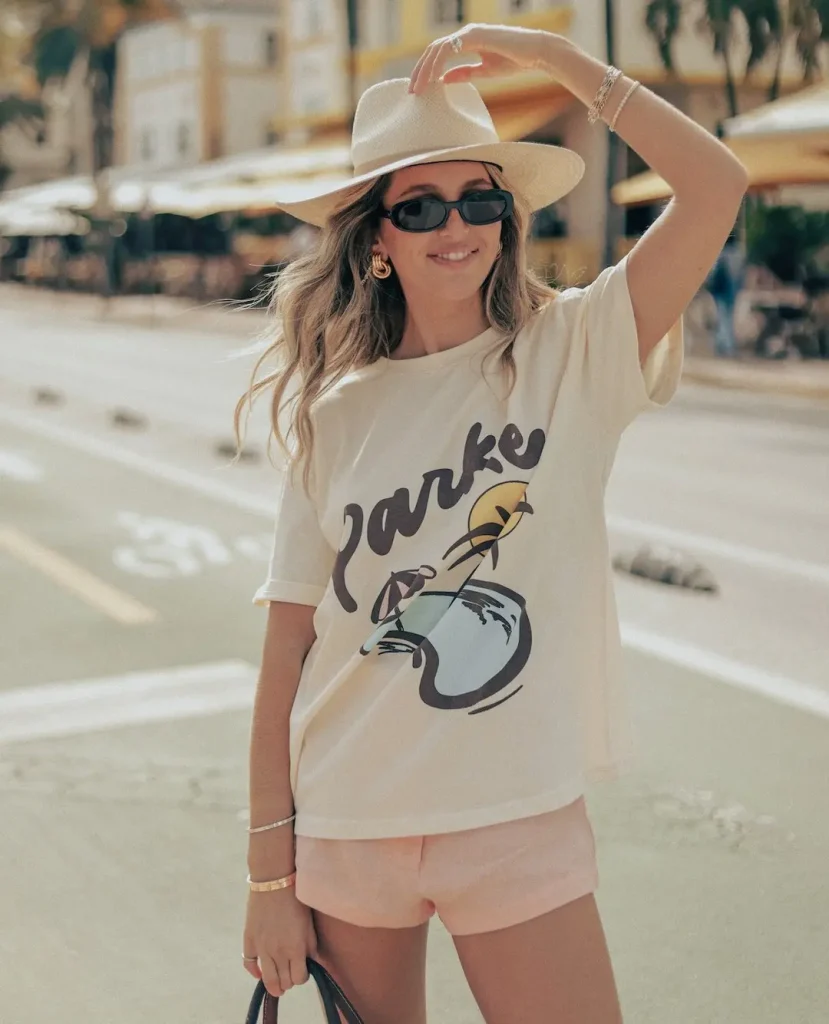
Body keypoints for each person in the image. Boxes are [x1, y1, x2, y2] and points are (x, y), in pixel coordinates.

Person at [235, 23, 747, 1024]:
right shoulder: (334, 417)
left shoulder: (574, 350)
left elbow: (715, 186)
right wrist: (266, 875)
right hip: (348, 819)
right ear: (376, 240)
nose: (455, 225)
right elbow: (287, 655)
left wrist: (552, 58)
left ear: (506, 220)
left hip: (513, 814)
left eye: (479, 198)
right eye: (419, 206)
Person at [707, 232, 745, 357]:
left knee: (722, 317)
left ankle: (724, 345)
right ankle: (727, 345)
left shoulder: (722, 254)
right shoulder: (739, 255)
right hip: (733, 290)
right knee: (728, 317)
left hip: (721, 290)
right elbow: (741, 275)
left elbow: (714, 275)